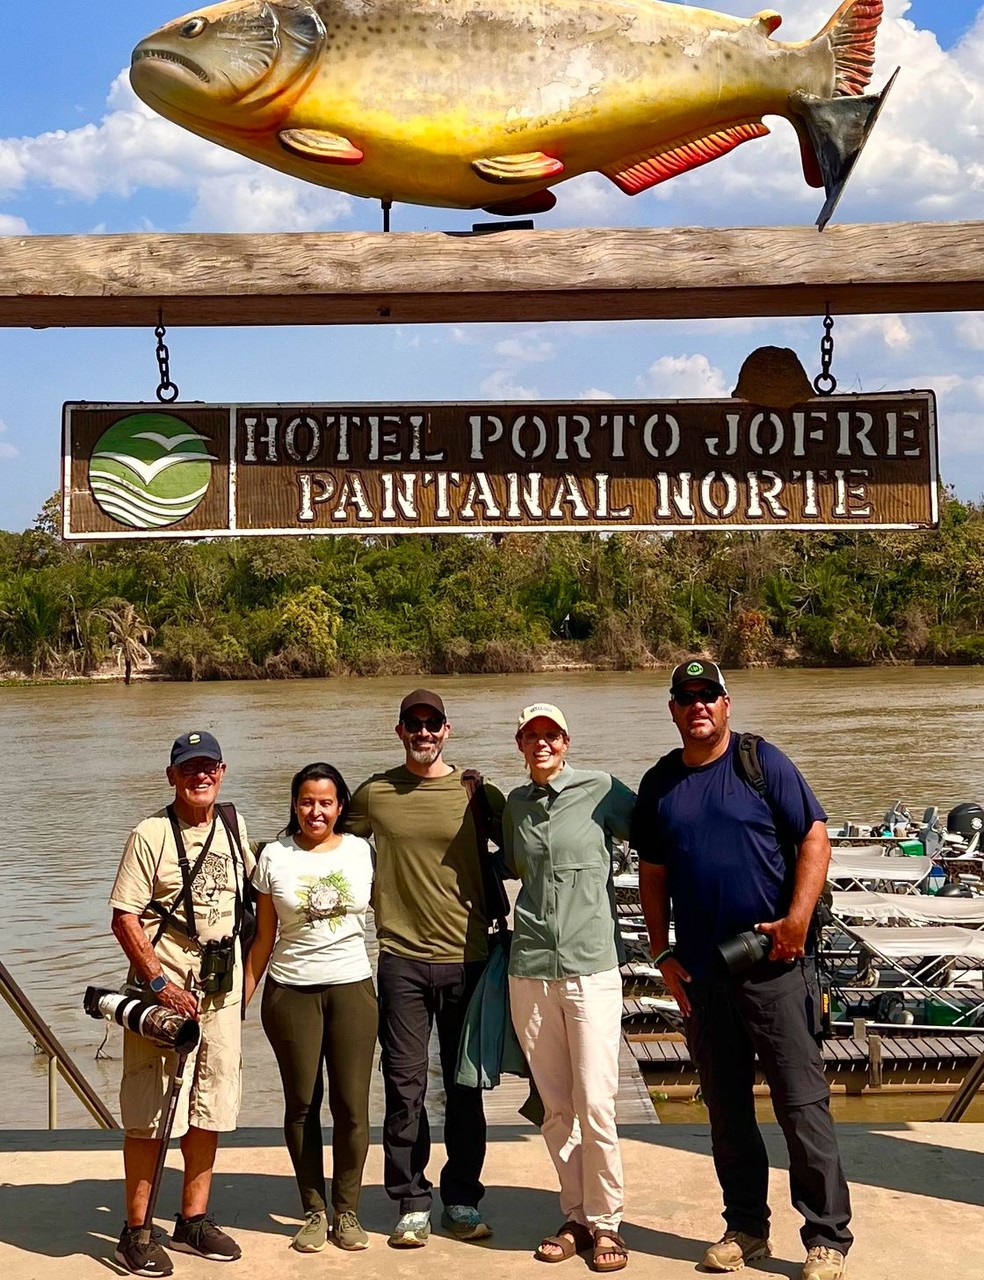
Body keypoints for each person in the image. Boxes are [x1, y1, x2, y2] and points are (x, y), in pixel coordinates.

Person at [632, 660, 853, 1280]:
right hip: (704, 976)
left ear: (727, 704)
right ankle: (746, 1228)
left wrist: (796, 923)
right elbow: (654, 873)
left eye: (709, 695)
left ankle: (827, 1237)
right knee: (727, 1111)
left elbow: (815, 837)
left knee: (802, 1104)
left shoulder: (761, 762)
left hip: (776, 967)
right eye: (686, 697)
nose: (698, 705)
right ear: (672, 709)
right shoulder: (661, 783)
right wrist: (660, 952)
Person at [346, 688, 505, 1248]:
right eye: (412, 724)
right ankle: (411, 1200)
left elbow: (529, 844)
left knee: (465, 1090)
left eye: (431, 723)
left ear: (447, 729)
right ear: (399, 732)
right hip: (401, 963)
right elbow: (323, 835)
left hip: (470, 959)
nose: (423, 732)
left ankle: (461, 1198)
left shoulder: (477, 793)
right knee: (404, 1086)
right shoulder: (376, 793)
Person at [108, 731, 254, 1277]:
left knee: (211, 1104)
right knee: (149, 1110)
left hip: (220, 993)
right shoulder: (149, 834)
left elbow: (254, 907)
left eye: (208, 767)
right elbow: (124, 918)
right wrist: (158, 983)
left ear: (222, 770)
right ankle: (136, 1230)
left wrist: (247, 980)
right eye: (188, 768)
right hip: (163, 995)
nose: (200, 777)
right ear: (172, 775)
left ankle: (193, 1220)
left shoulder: (235, 827)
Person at [503, 702, 635, 1273]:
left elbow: (659, 831)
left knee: (597, 1103)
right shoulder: (514, 806)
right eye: (531, 736)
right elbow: (513, 868)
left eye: (550, 735)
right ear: (520, 744)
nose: (542, 744)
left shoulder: (602, 790)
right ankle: (576, 1215)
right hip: (529, 967)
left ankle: (608, 1222)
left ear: (566, 740)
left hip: (591, 966)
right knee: (556, 1108)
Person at [245, 762, 378, 1254]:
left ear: (340, 806)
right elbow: (263, 938)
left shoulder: (363, 852)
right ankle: (313, 1211)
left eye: (325, 802)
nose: (315, 811)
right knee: (302, 1104)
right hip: (291, 993)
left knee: (351, 1106)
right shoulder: (274, 857)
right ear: (294, 805)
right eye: (306, 801)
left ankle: (347, 1211)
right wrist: (242, 998)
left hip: (352, 990)